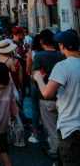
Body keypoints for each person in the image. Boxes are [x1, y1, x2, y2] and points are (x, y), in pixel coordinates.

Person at [33, 28, 80, 165]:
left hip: (70, 128)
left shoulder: (63, 66)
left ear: (62, 46)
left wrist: (39, 78)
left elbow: (47, 93)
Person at [31, 28, 65, 159]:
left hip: (45, 96)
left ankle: (55, 150)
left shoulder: (39, 56)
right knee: (61, 125)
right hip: (61, 96)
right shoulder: (61, 55)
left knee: (50, 126)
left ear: (41, 42)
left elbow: (35, 75)